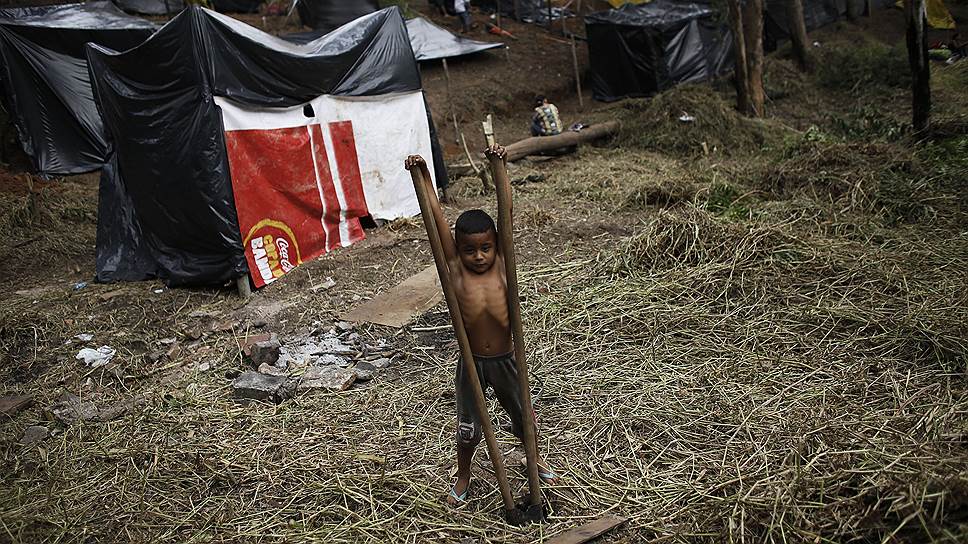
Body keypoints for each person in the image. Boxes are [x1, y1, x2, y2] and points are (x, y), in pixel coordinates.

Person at [404, 149, 558, 506]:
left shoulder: (503, 263)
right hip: (472, 363)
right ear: (459, 249)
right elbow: (436, 218)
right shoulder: (455, 267)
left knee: (524, 417)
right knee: (469, 426)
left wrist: (499, 165)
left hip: (506, 358)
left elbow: (506, 210)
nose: (479, 256)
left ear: (494, 246)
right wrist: (424, 173)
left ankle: (533, 457)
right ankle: (464, 472)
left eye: (485, 248)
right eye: (471, 250)